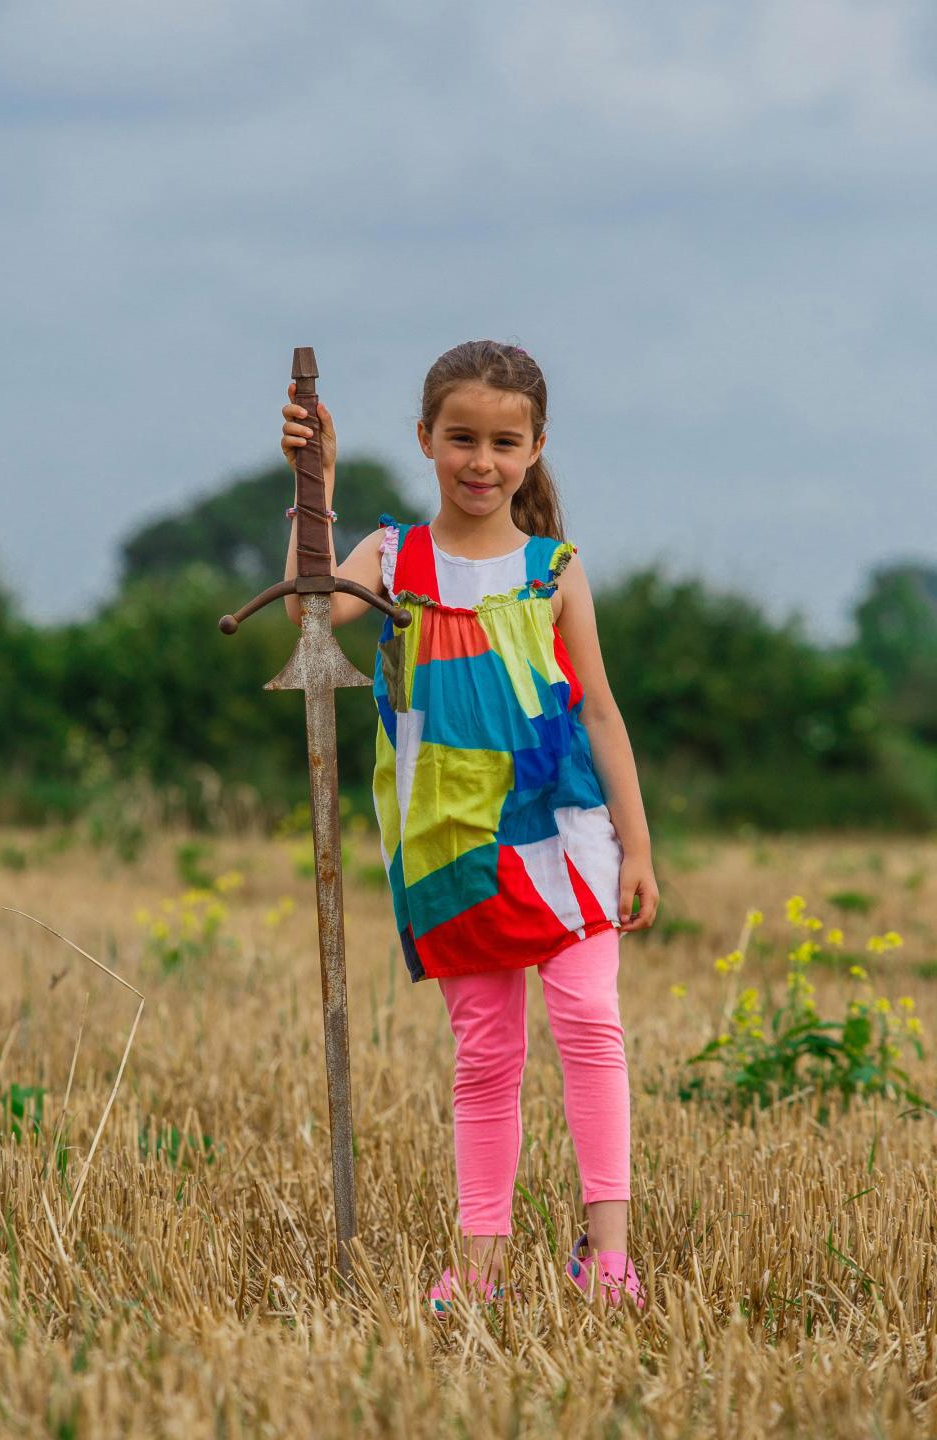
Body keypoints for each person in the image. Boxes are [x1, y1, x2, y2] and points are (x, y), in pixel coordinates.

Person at [280, 339, 659, 1314]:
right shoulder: (394, 557)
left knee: (590, 1027)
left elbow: (602, 712)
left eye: (504, 441)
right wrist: (310, 480)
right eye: (461, 439)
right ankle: (481, 1261)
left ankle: (606, 1254)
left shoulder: (554, 570)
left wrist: (639, 846)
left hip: (564, 831)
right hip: (449, 844)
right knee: (486, 1054)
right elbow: (308, 612)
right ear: (425, 441)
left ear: (534, 450)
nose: (481, 461)